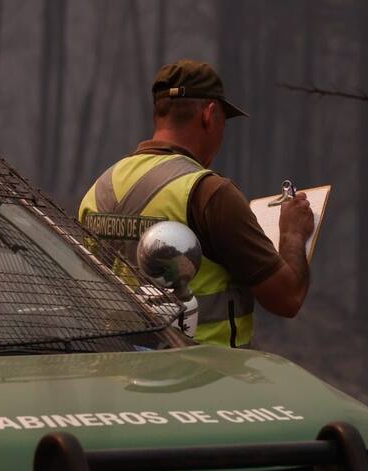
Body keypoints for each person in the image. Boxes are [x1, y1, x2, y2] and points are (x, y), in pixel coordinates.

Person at [79, 59, 314, 347]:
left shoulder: (98, 190)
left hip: (118, 376)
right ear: (209, 115)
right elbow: (287, 298)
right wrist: (292, 234)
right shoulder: (209, 194)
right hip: (205, 379)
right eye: (222, 122)